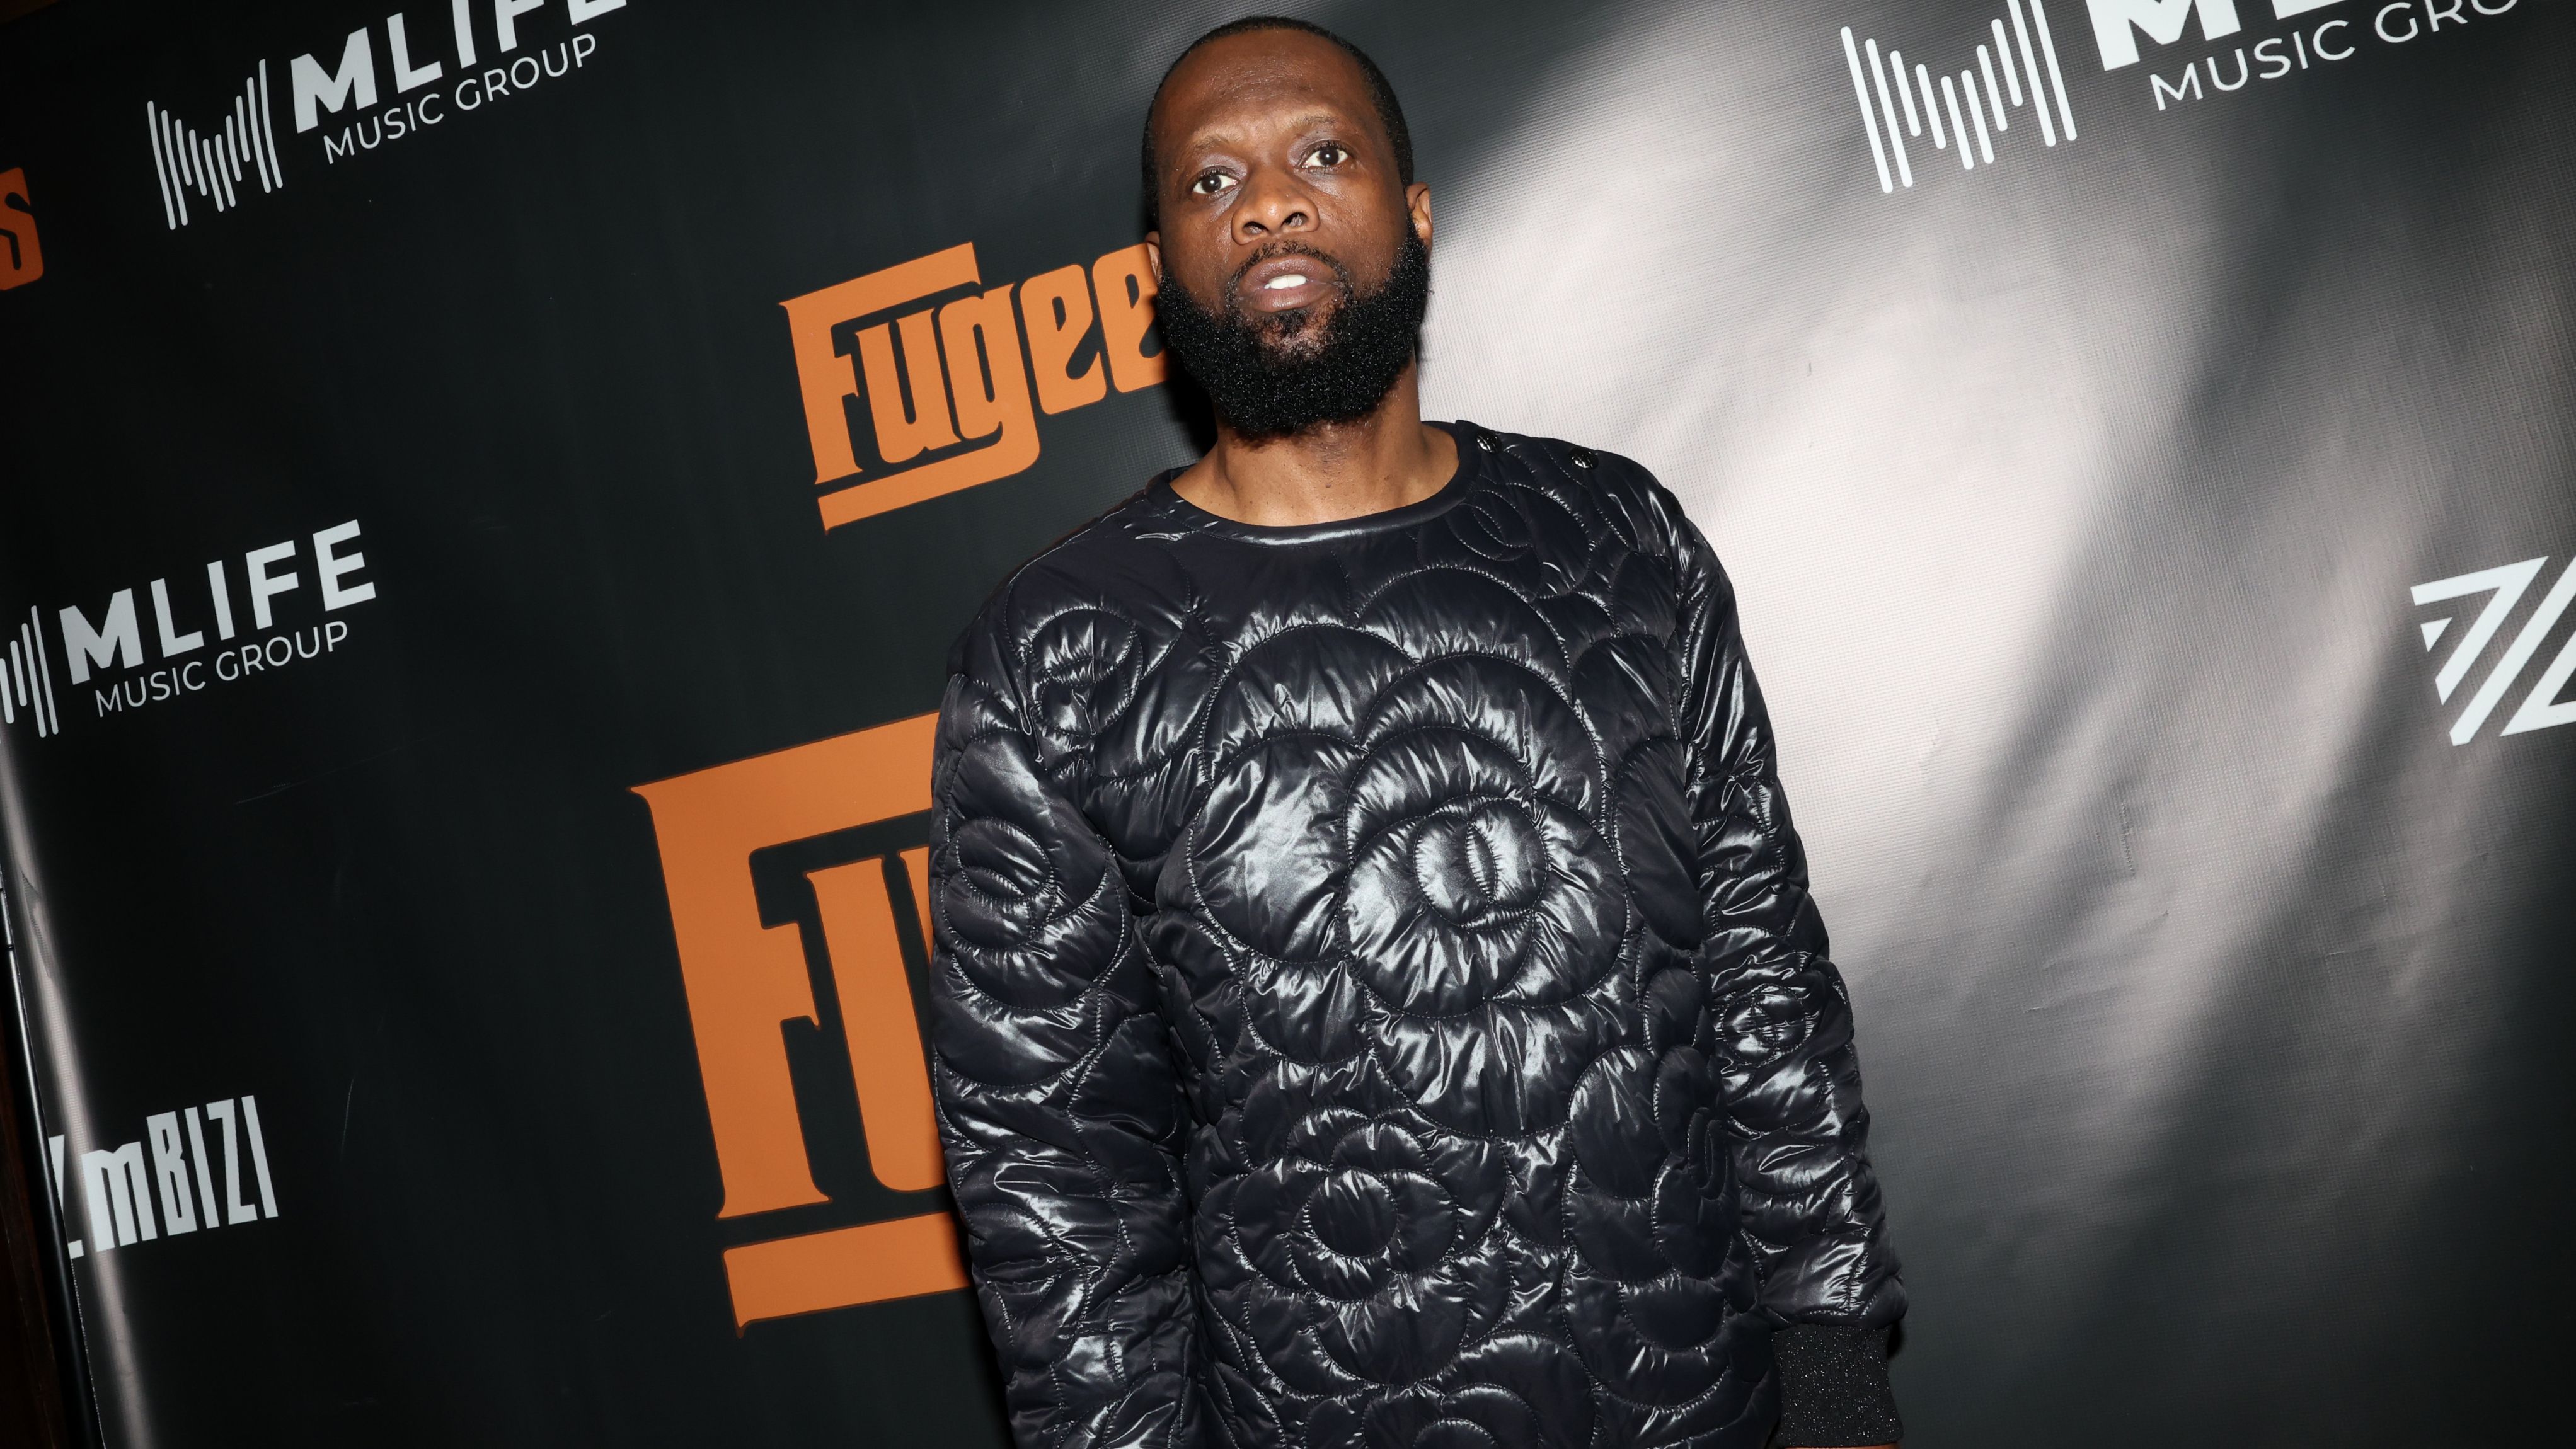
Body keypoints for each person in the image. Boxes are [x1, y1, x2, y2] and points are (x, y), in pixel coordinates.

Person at [925, 16, 1904, 1449]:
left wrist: (1834, 1361)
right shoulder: (1059, 652)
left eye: (1323, 154)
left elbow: (1761, 968)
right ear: (1157, 272)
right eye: (1212, 181)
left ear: (1418, 211)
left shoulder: (1616, 534)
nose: (1269, 203)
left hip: (1710, 1409)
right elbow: (1057, 1166)